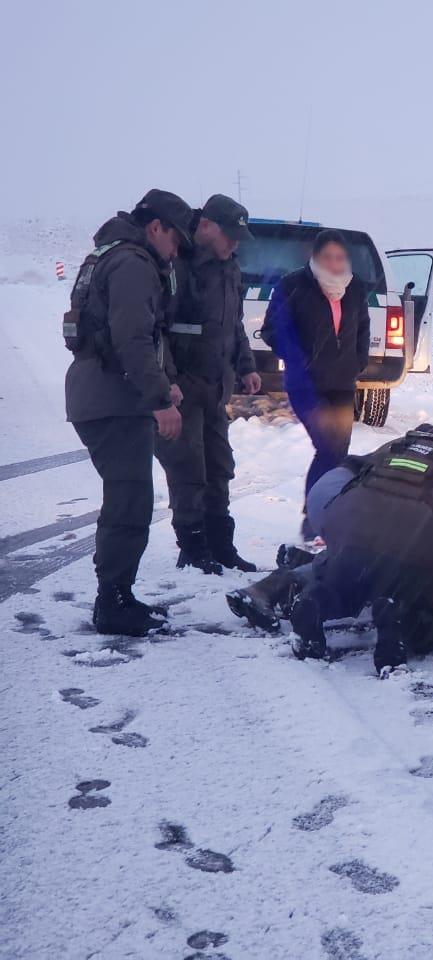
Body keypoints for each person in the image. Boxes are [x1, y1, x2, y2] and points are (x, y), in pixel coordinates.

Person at [226, 421, 433, 673]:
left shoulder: (395, 447)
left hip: (346, 528)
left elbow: (353, 472)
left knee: (349, 581)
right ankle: (398, 621)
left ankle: (314, 602)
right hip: (411, 552)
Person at [65, 189, 194, 636]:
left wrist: (166, 381)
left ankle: (117, 594)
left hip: (102, 394)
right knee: (130, 498)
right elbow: (133, 339)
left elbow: (142, 338)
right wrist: (159, 400)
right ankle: (113, 601)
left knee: (128, 495)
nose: (176, 250)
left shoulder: (111, 256)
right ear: (156, 227)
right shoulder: (134, 264)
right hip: (113, 399)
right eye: (176, 239)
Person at [156, 194, 262, 575]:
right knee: (188, 469)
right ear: (205, 227)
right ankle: (193, 547)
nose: (235, 244)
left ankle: (221, 546)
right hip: (182, 388)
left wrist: (246, 365)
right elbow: (157, 330)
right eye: (229, 235)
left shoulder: (229, 268)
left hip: (216, 387)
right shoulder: (177, 266)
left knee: (219, 466)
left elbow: (233, 325)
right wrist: (166, 383)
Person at [260, 230, 370, 538]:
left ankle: (322, 516)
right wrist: (299, 359)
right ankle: (314, 518)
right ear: (315, 257)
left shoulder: (356, 287)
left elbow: (362, 326)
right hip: (305, 383)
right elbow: (272, 330)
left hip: (342, 382)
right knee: (328, 447)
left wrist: (358, 360)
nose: (334, 264)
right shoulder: (293, 286)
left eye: (339, 257)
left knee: (338, 449)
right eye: (327, 257)